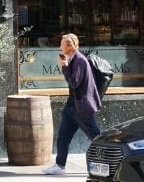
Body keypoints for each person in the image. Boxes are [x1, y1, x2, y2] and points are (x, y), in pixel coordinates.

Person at [43, 33, 102, 175]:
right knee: (63, 136)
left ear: (70, 46)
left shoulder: (80, 60)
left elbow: (74, 82)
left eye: (62, 44)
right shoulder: (73, 59)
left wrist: (64, 66)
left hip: (83, 108)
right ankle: (59, 165)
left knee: (96, 137)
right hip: (73, 107)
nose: (60, 46)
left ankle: (110, 161)